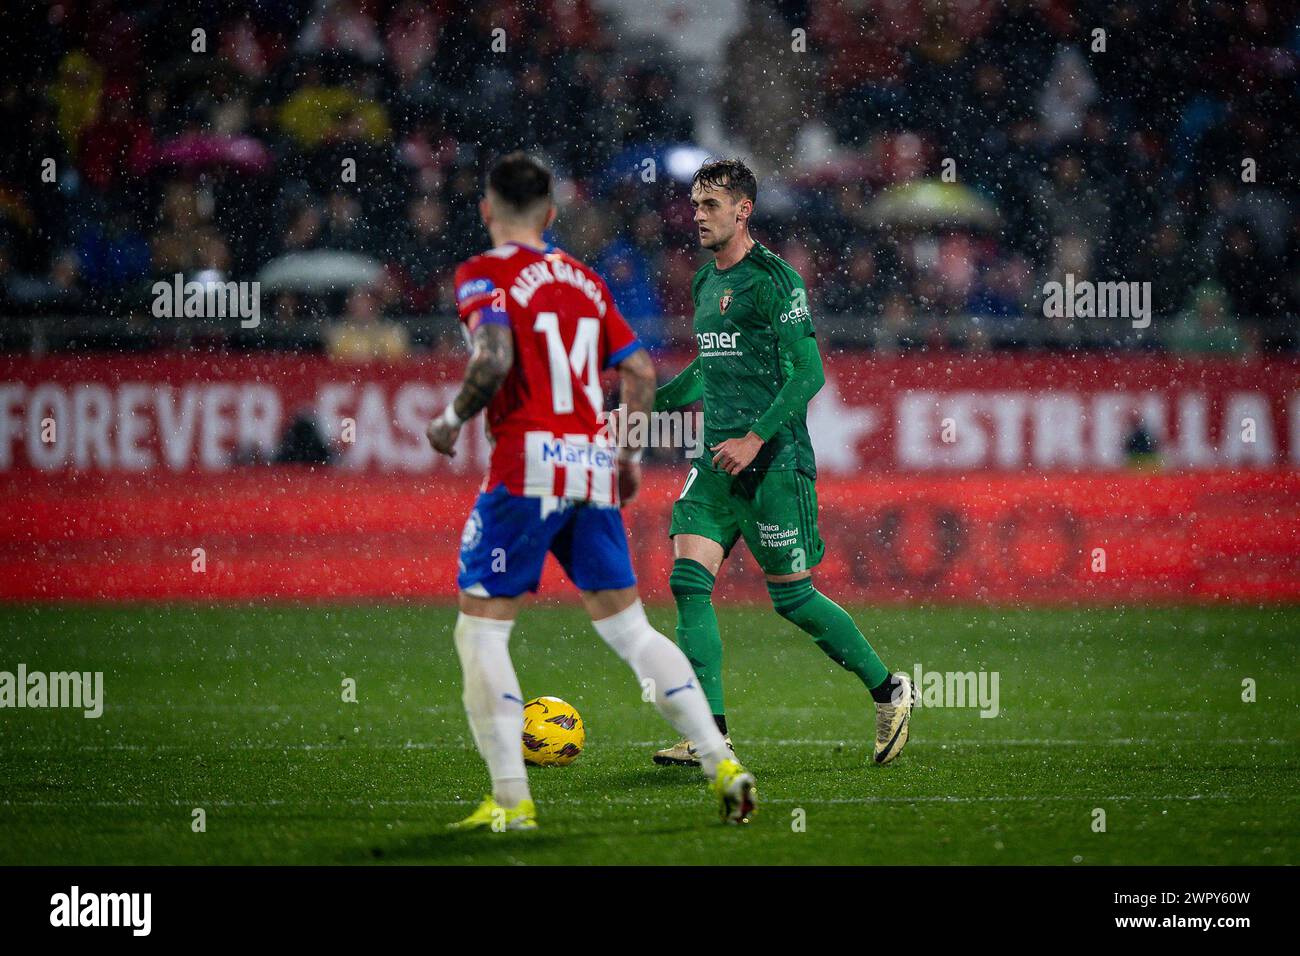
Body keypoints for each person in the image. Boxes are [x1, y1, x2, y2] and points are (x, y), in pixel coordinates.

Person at [426, 153, 756, 830]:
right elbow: (637, 369)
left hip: (526, 467)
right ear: (550, 216)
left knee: (481, 634)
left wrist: (451, 418)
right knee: (631, 630)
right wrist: (628, 454)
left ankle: (512, 803)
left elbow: (492, 358)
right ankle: (722, 762)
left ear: (488, 211)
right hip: (588, 462)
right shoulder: (582, 279)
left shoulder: (484, 273)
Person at [651, 158, 914, 768]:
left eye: (709, 206)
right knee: (688, 583)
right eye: (693, 206)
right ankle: (709, 734)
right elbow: (707, 369)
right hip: (715, 463)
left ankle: (889, 690)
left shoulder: (776, 281)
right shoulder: (703, 282)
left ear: (743, 210)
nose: (697, 216)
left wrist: (753, 436)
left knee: (793, 600)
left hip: (774, 462)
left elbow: (810, 373)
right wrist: (650, 399)